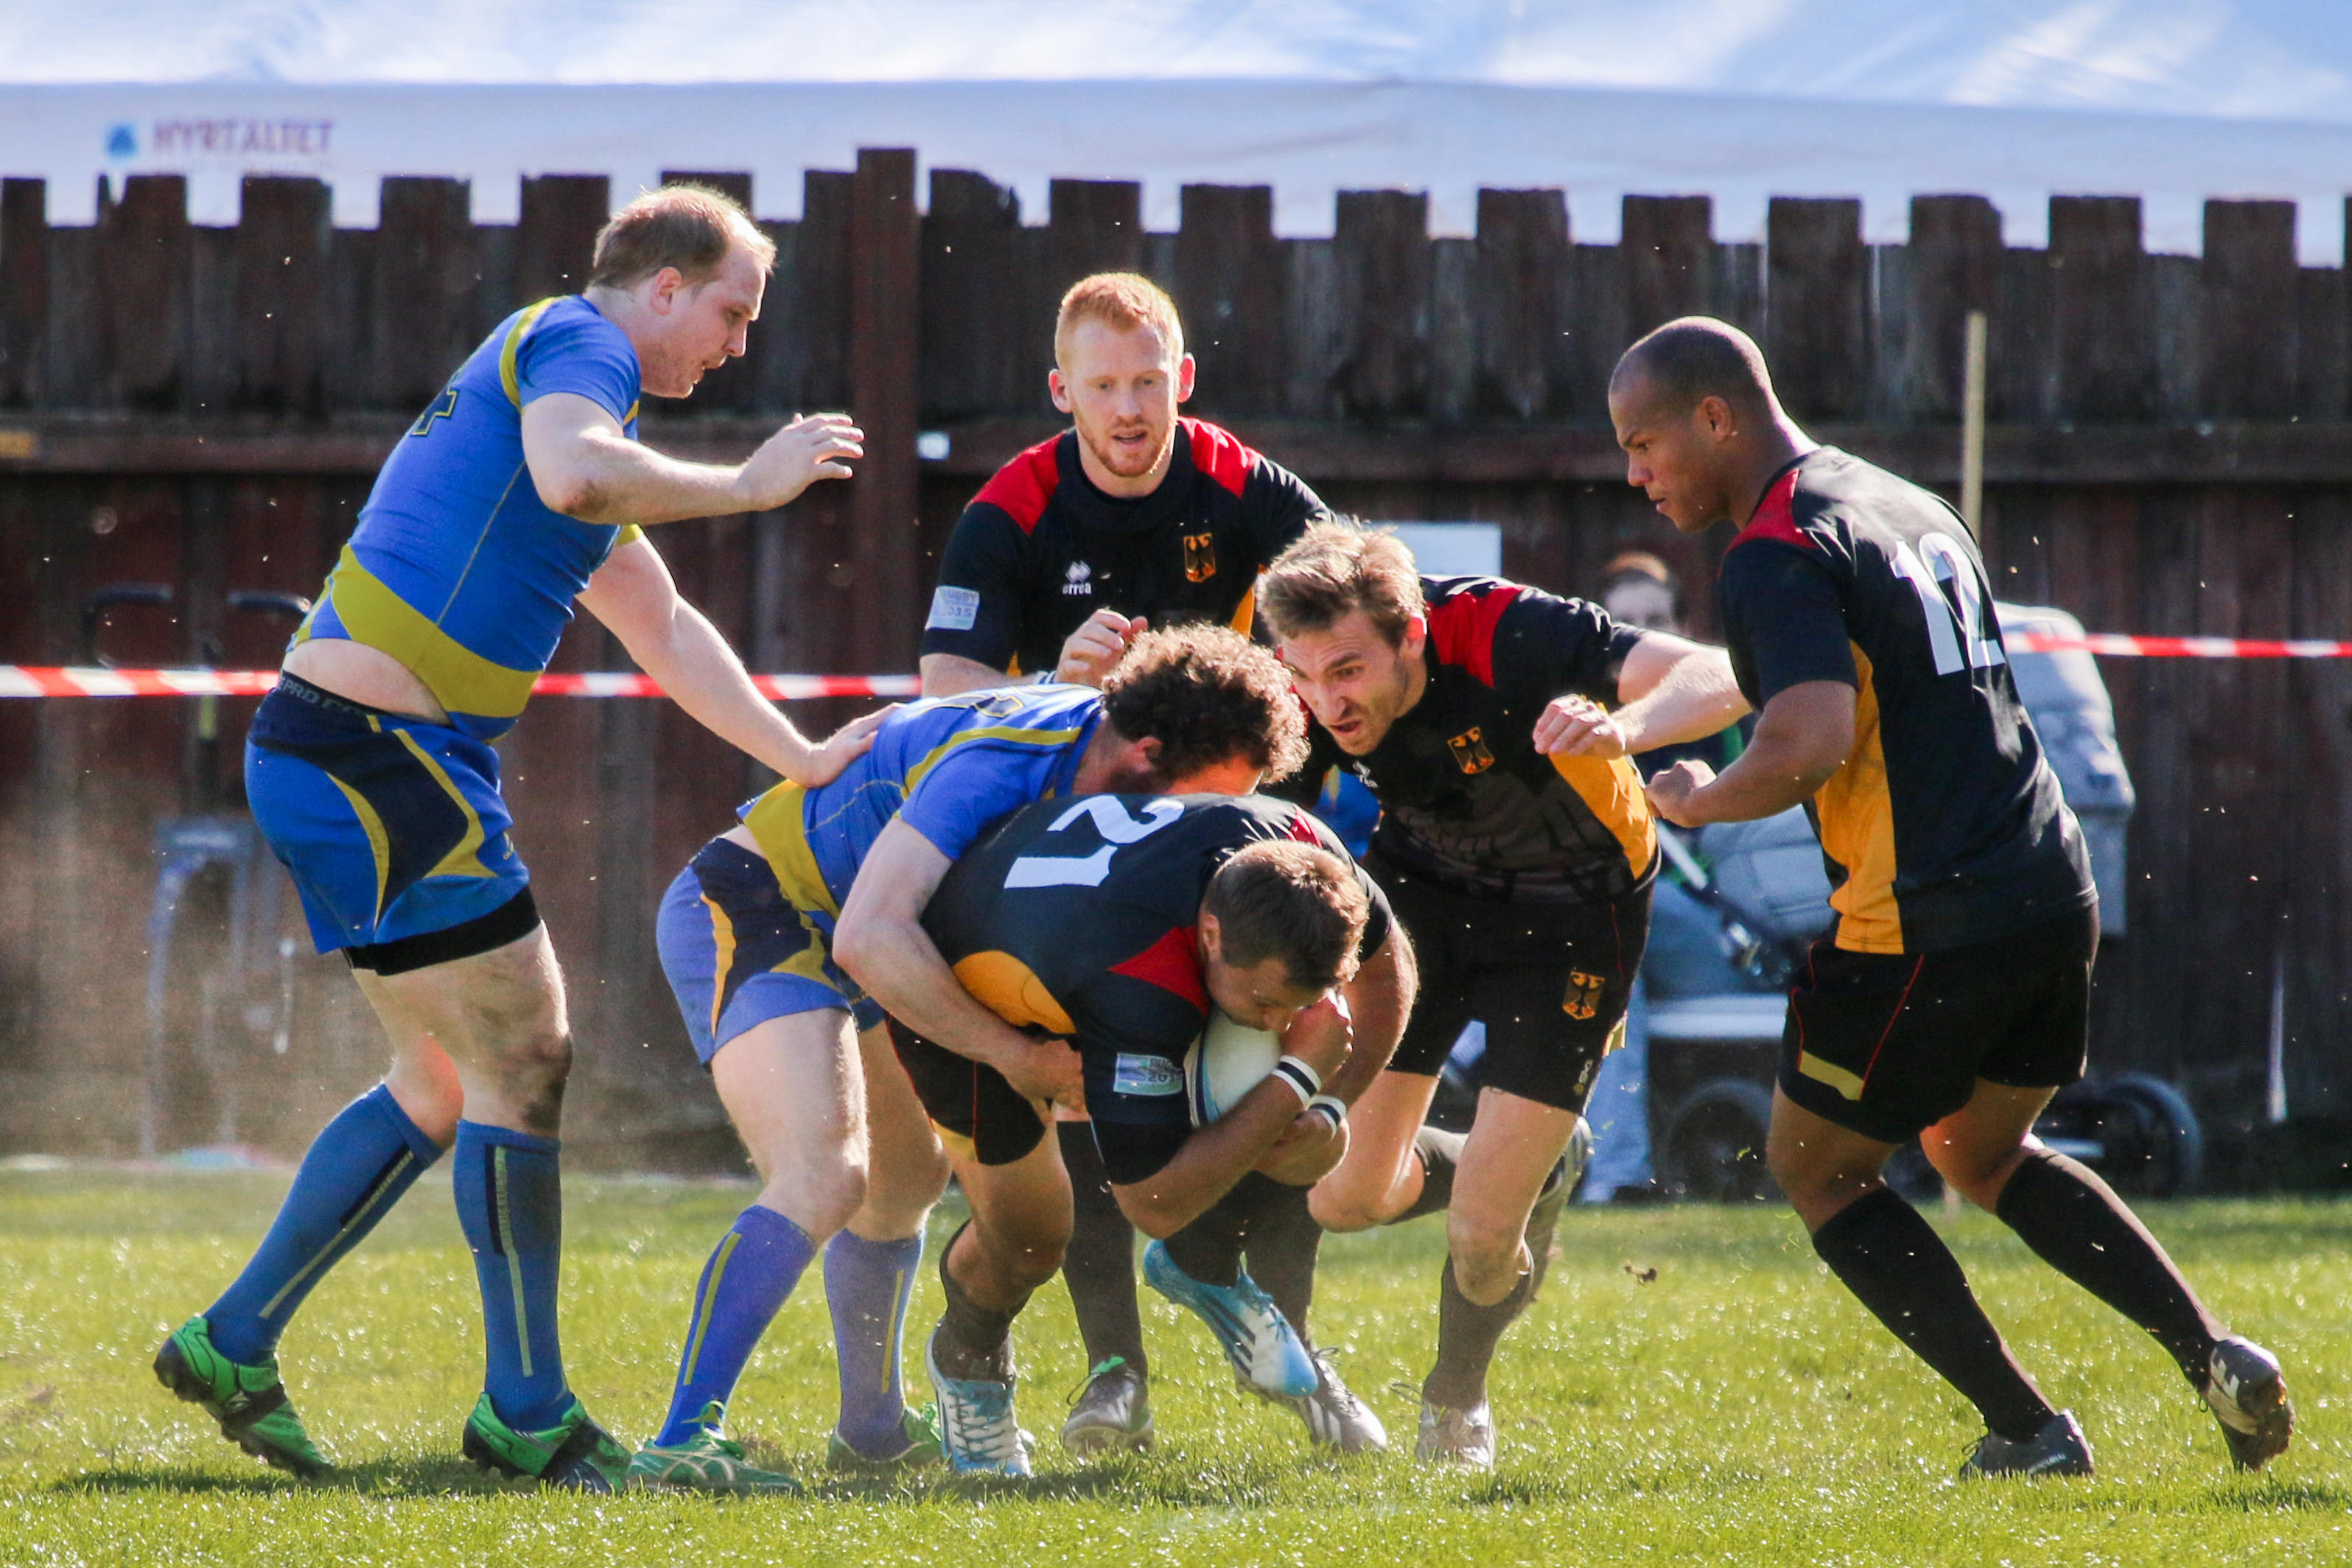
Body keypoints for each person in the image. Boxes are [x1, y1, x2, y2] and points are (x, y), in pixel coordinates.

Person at [151, 184, 886, 1492]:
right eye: (730, 313)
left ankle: (234, 1339)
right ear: (663, 286)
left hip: (346, 752)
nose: (737, 345)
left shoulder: (575, 399)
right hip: (379, 756)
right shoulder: (579, 348)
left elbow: (663, 628)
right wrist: (748, 484)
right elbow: (572, 471)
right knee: (527, 1054)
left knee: (448, 1076)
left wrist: (802, 757)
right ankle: (528, 1414)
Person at [1612, 314, 2292, 1477]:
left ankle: (2029, 1433)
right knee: (1983, 1154)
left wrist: (1698, 800)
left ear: (1714, 418)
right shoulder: (1906, 503)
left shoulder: (1773, 550)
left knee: (1817, 1171)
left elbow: (1809, 739)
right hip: (2050, 887)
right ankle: (2213, 1355)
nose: (1636, 475)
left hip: (1923, 920)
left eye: (1643, 444)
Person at [636, 626, 1307, 1492]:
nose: (1203, 828)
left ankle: (872, 1430)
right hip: (761, 904)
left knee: (903, 1183)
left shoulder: (1101, 752)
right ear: (1146, 754)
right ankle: (681, 1441)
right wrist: (1016, 1056)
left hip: (860, 926)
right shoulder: (1003, 763)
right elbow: (871, 935)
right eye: (1202, 803)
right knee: (825, 1174)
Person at [917, 271, 1378, 1455]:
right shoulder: (1012, 509)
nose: (1128, 409)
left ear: (1185, 380)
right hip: (1087, 849)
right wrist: (1051, 684)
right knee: (1101, 1085)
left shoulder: (1252, 492)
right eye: (1104, 386)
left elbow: (1350, 631)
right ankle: (1113, 1370)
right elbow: (945, 694)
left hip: (1238, 842)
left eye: (1148, 382)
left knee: (1283, 1090)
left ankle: (1290, 1341)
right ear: (1061, 391)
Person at [1259, 522, 1749, 1468]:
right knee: (1343, 1197)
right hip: (1424, 900)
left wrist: (1625, 728)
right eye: (1307, 676)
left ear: (1412, 633)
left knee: (1485, 1240)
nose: (1327, 701)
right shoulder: (1304, 681)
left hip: (1576, 914)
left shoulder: (1503, 630)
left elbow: (1721, 674)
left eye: (1349, 671)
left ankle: (1456, 1397)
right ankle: (1541, 1163)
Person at [889, 793, 1395, 1475]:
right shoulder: (1140, 979)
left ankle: (1209, 1265)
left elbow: (1390, 971)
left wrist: (1329, 1107)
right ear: (1211, 936)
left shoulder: (1304, 847)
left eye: (1298, 1004)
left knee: (1285, 1121)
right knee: (1029, 1239)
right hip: (966, 997)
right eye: (1267, 1001)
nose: (1280, 1023)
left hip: (1077, 939)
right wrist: (1301, 1075)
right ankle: (968, 1364)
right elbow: (1153, 1202)